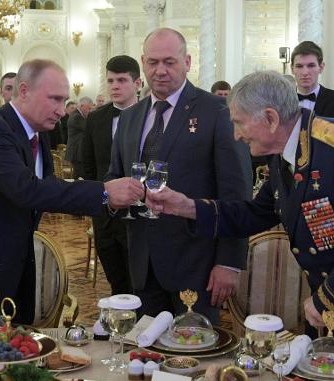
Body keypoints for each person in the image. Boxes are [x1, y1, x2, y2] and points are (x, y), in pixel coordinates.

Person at [146, 71, 334, 357]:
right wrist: (186, 206)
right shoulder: (286, 157)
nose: (236, 135)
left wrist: (327, 299)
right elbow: (253, 213)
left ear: (270, 118)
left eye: (239, 123)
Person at [0, 59, 143, 327]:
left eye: (63, 100)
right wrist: (103, 192)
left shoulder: (38, 135)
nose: (61, 110)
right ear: (23, 91)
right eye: (54, 99)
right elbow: (27, 190)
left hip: (6, 268)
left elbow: (48, 190)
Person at [105, 28, 250, 324]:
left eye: (169, 62)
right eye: (153, 62)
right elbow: (114, 177)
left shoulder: (217, 110)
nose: (160, 71)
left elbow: (236, 192)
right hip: (142, 265)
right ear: (143, 63)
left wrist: (229, 262)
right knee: (146, 353)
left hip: (198, 264)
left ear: (187, 61)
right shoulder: (130, 117)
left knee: (196, 353)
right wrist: (111, 198)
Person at [82, 55, 142, 295]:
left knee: (140, 283)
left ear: (137, 84)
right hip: (105, 215)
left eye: (121, 80)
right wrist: (102, 202)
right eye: (110, 81)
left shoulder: (151, 116)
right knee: (116, 281)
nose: (114, 86)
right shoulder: (96, 118)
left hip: (139, 215)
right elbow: (88, 166)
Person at [291, 41, 334, 119]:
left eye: (311, 66)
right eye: (299, 66)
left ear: (321, 67)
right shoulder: (281, 102)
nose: (305, 72)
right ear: (292, 69)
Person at [65, 96, 93, 178]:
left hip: (77, 152)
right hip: (76, 152)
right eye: (89, 109)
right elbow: (88, 129)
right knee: (80, 176)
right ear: (81, 106)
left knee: (80, 176)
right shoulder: (76, 117)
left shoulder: (77, 115)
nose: (90, 111)